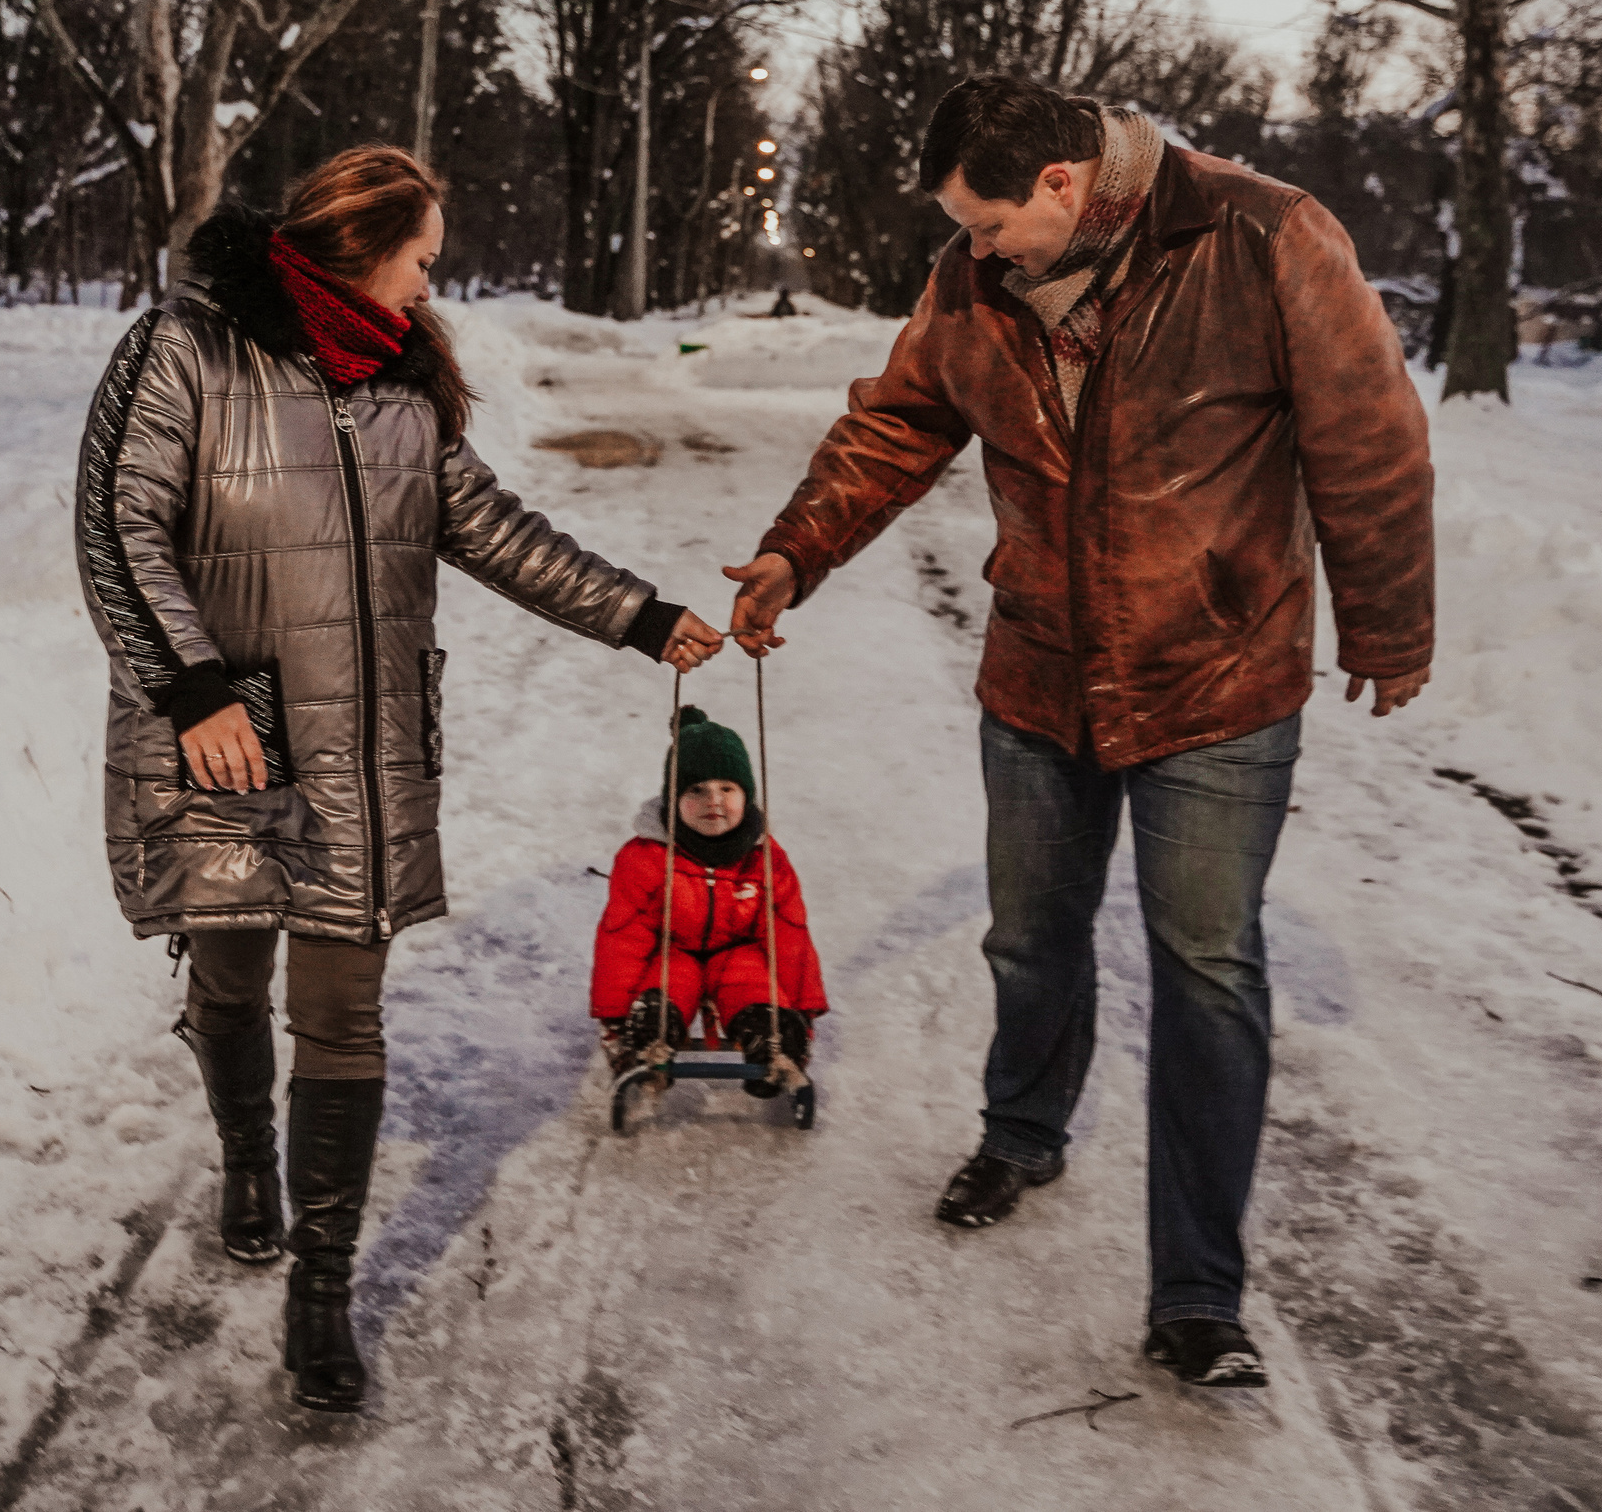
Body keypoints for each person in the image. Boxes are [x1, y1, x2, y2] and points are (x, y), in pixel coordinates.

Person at [723, 77, 1433, 1390]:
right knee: (1030, 931)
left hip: (1215, 677)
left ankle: (1198, 1293)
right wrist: (793, 551)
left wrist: (1385, 624)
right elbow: (896, 423)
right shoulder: (974, 280)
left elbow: (1369, 434)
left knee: (1209, 966)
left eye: (988, 222)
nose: (974, 247)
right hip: (1042, 672)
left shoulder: (1265, 237)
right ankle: (1023, 1128)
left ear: (1062, 183)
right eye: (962, 230)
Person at [73, 145, 725, 1414]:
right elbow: (116, 526)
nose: (437, 277)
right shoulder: (185, 350)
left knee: (344, 1011)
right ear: (360, 244)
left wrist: (642, 618)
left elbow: (489, 529)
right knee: (225, 966)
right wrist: (192, 687)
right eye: (423, 253)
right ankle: (245, 1158)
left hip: (362, 755)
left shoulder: (402, 385)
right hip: (225, 731)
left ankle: (322, 1294)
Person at [590, 706, 827, 1091]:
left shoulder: (766, 860)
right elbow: (623, 937)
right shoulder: (646, 858)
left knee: (749, 979)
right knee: (666, 982)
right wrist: (614, 1018)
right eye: (696, 790)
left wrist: (801, 1011)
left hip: (737, 950)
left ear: (746, 795)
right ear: (672, 798)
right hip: (673, 950)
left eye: (727, 789)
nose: (713, 801)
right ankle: (649, 1038)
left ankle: (772, 1040)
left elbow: (789, 936)